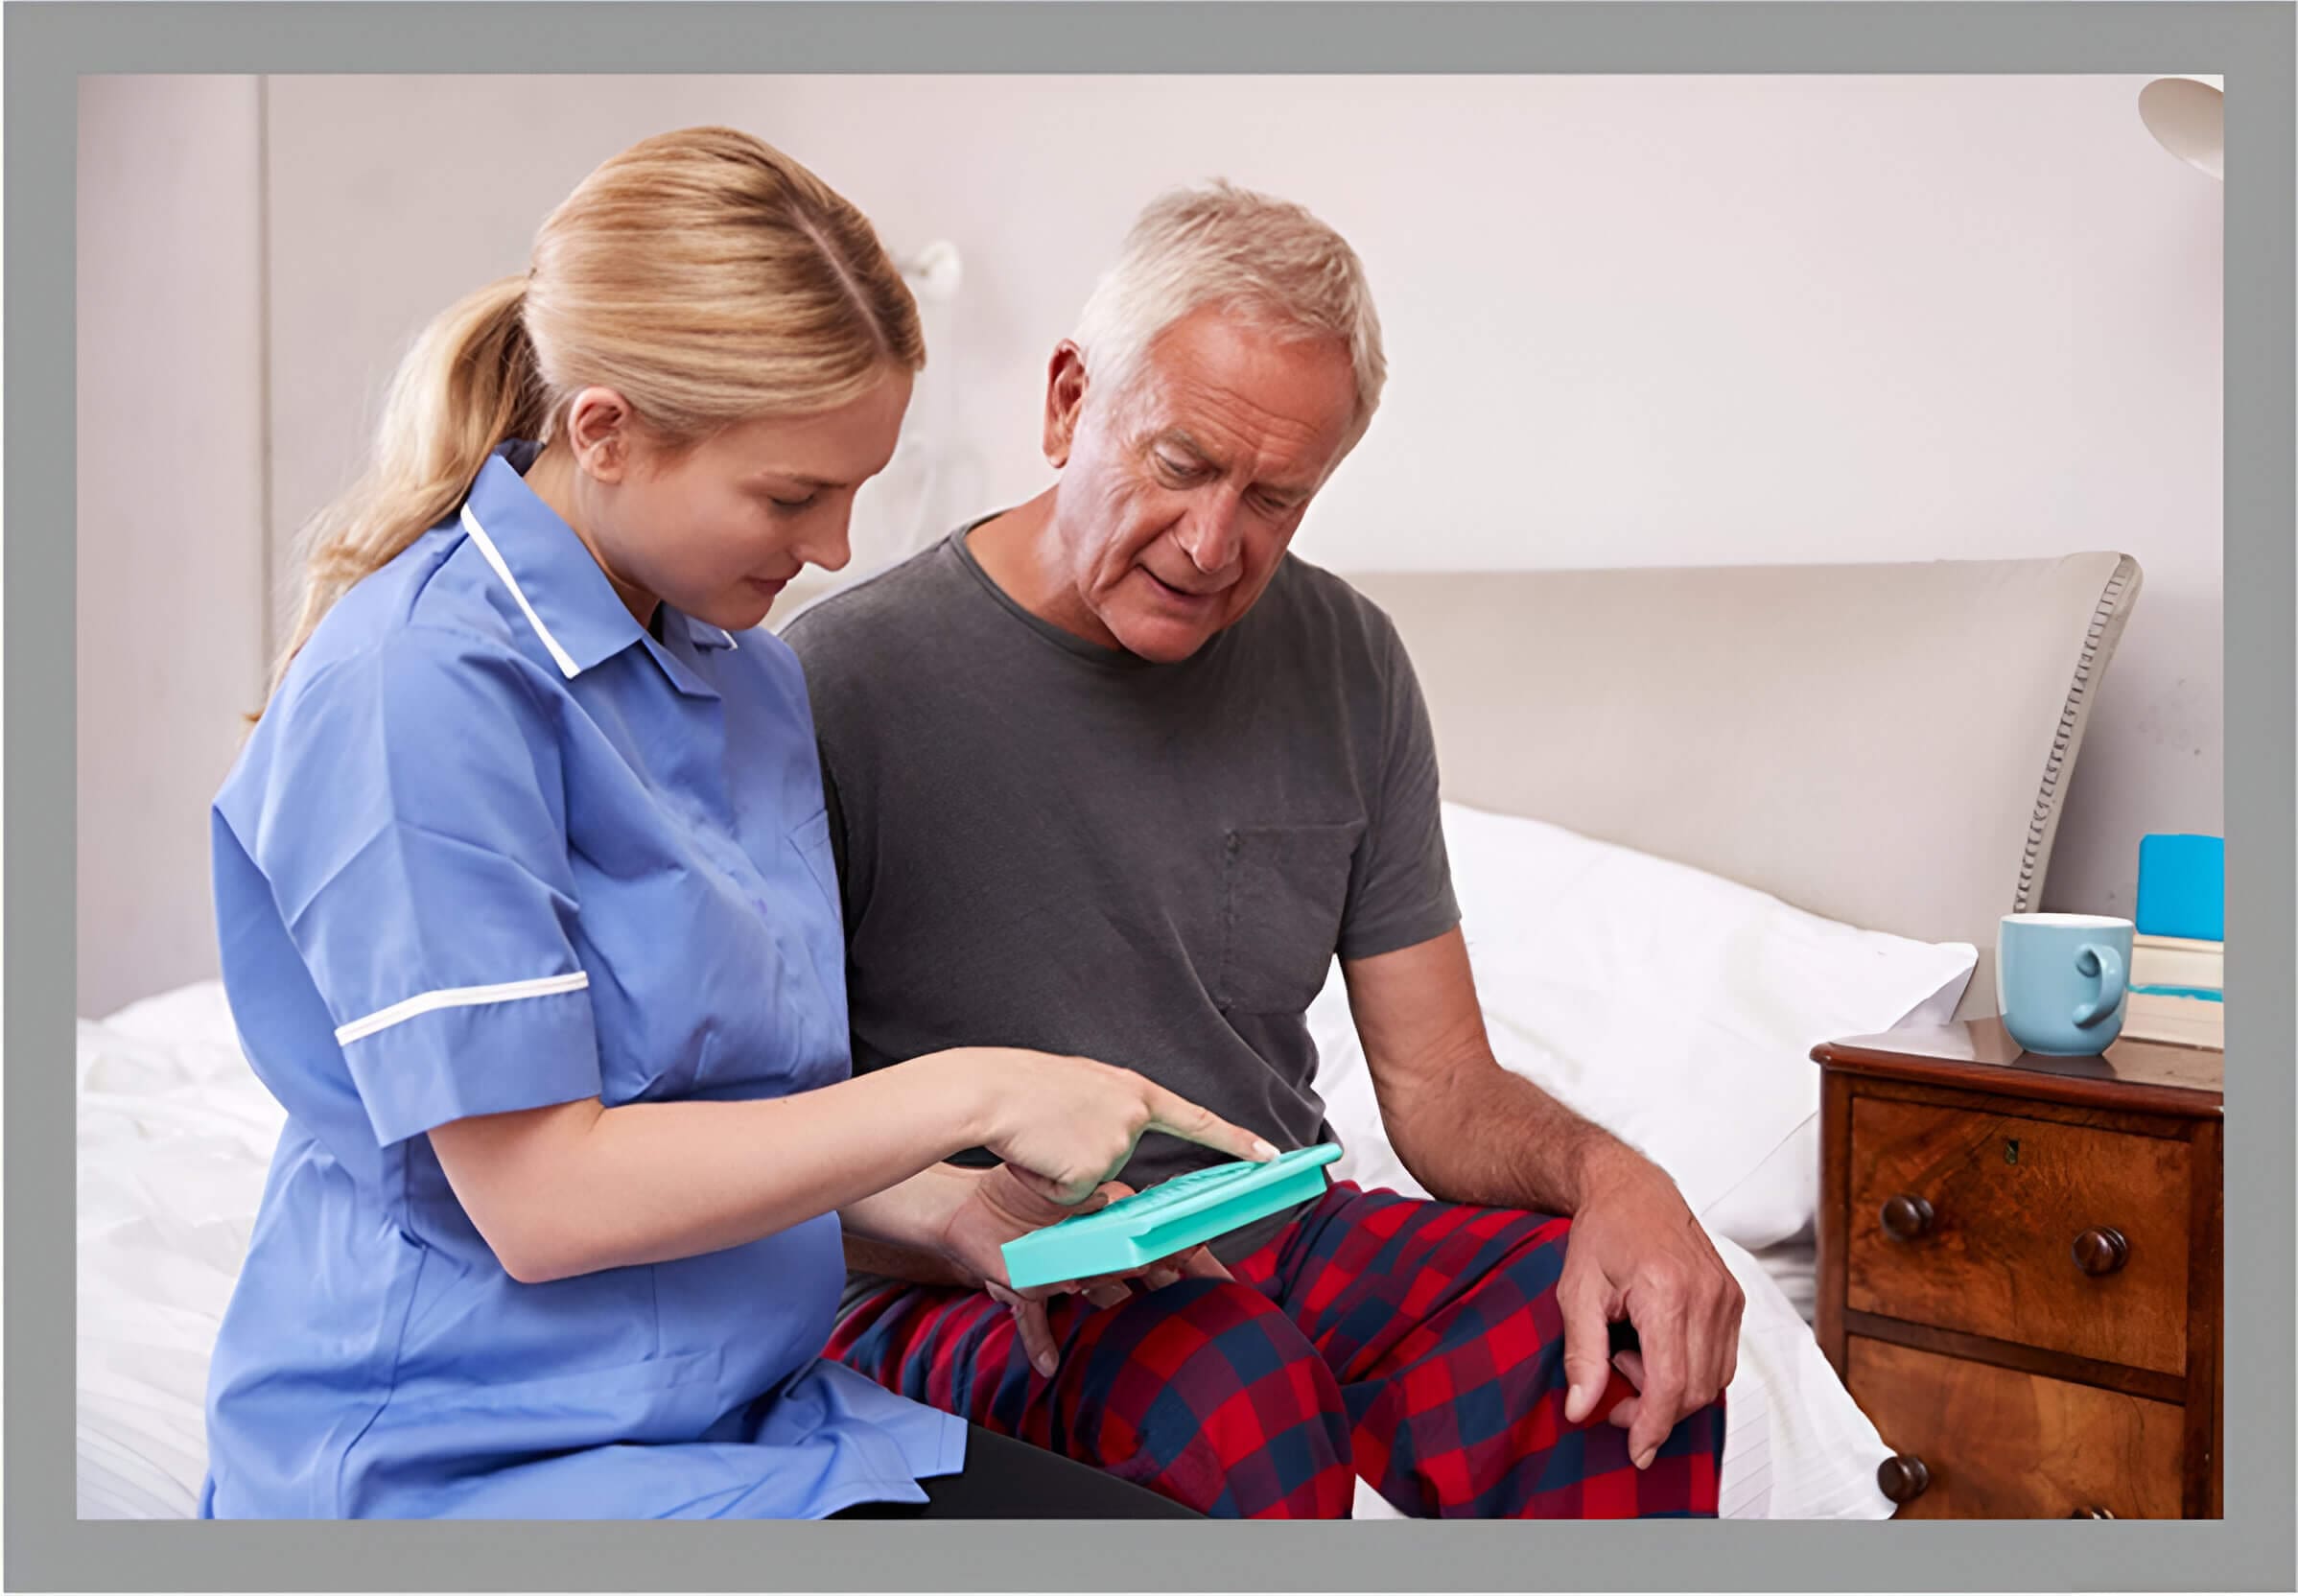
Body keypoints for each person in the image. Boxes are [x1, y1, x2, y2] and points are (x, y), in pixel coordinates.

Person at [199, 128, 1259, 1521]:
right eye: (791, 496)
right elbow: (546, 1199)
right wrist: (982, 1091)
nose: (833, 551)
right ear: (607, 431)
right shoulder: (422, 687)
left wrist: (948, 1209)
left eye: (857, 491)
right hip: (461, 1461)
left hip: (741, 1417)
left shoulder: (742, 671)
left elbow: (705, 1106)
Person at [786, 180, 1746, 1519]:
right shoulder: (840, 682)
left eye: (1277, 498)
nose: (1212, 544)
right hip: (966, 1278)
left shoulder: (1349, 664)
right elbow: (750, 1136)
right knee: (1228, 1376)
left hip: (1259, 1232)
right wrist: (956, 1211)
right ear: (1069, 401)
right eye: (1180, 464)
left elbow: (1444, 1087)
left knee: (1600, 1326)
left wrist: (1620, 1180)